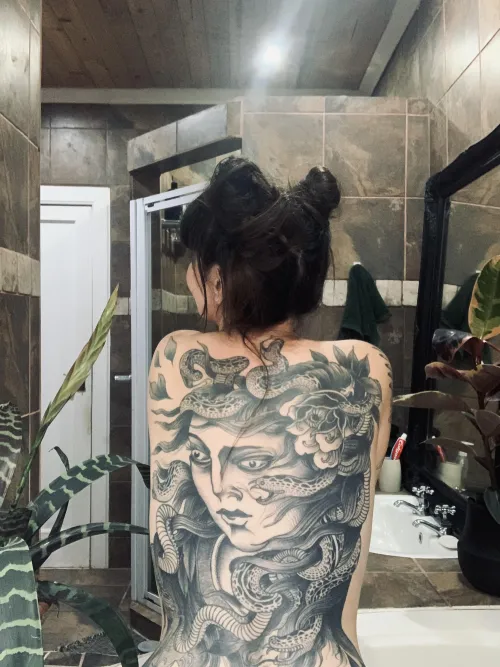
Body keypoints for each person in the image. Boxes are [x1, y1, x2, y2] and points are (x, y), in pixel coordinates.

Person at [146, 157, 392, 667]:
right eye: (203, 457)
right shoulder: (365, 370)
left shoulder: (175, 356)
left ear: (216, 279)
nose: (220, 489)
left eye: (256, 462)